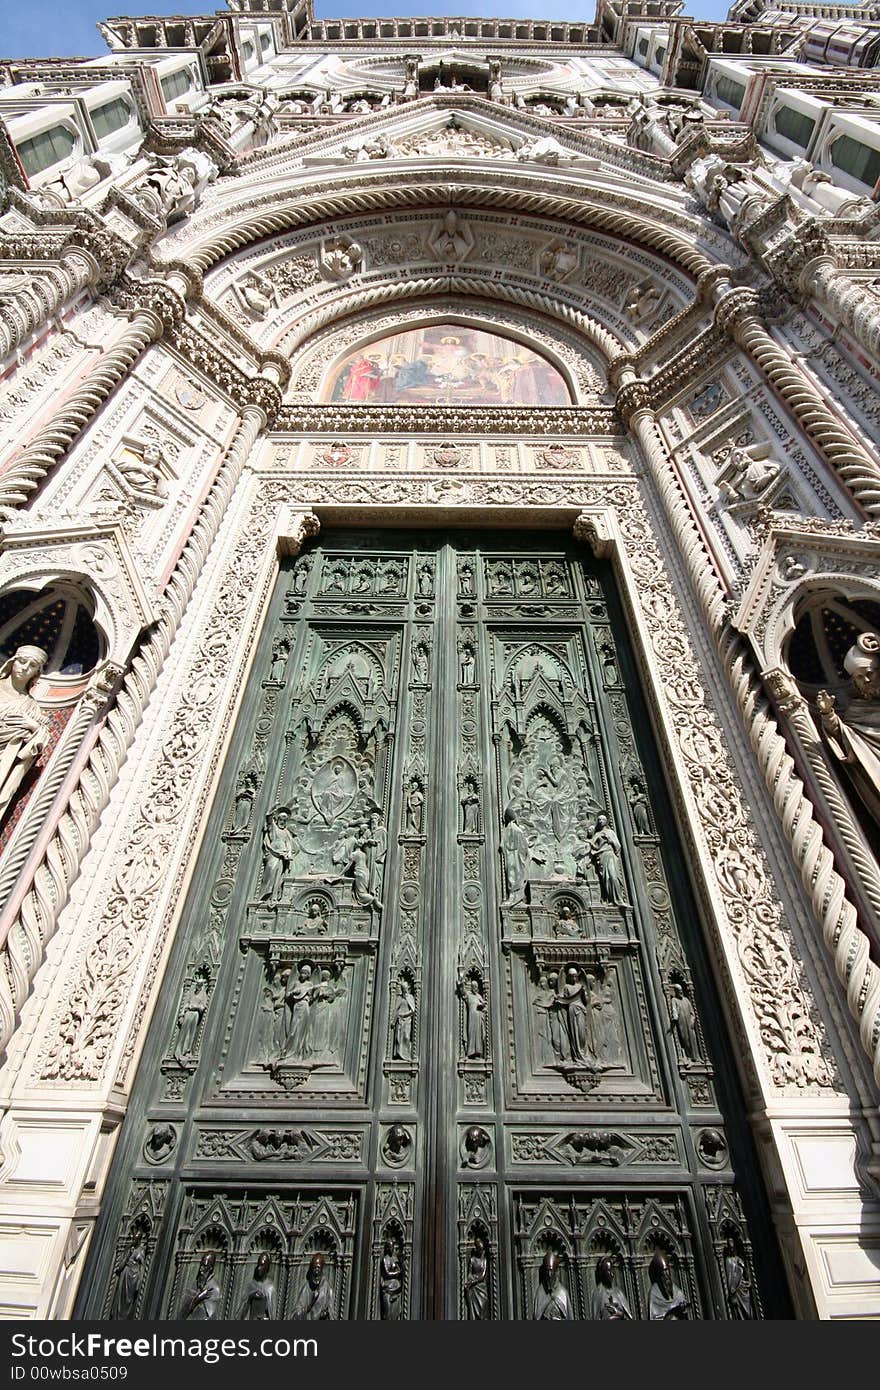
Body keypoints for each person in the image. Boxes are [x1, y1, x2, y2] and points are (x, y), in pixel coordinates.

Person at [817, 632, 880, 830]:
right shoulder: (858, 712)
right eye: (860, 678)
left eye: (870, 673)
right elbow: (847, 739)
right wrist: (828, 714)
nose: (866, 681)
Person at [0, 645, 50, 824]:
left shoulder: (31, 707)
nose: (25, 667)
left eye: (32, 665)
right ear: (12, 661)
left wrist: (34, 726)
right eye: (22, 661)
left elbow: (41, 737)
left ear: (36, 672)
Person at [110, 1232, 145, 1319]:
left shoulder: (141, 1251)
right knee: (120, 1296)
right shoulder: (130, 1249)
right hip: (125, 1273)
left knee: (128, 1299)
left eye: (136, 1239)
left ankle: (123, 1317)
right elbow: (122, 1263)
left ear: (139, 1240)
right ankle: (116, 1316)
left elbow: (142, 1267)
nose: (134, 1240)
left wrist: (138, 1283)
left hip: (133, 1277)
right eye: (133, 1238)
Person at [180, 1251, 221, 1320]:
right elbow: (185, 1309)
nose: (201, 1269)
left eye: (205, 1266)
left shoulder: (214, 1288)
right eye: (201, 1265)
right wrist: (198, 1298)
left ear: (210, 1268)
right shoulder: (197, 1282)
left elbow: (211, 1315)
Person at [292, 1253, 334, 1319]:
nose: (316, 1271)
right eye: (314, 1267)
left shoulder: (327, 1290)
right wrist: (311, 1303)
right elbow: (297, 1311)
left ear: (322, 1268)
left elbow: (331, 1314)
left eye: (318, 1267)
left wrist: (325, 1314)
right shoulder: (307, 1287)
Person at [591, 1255, 633, 1319]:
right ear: (602, 1273)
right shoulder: (598, 1294)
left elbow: (629, 1317)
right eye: (608, 1270)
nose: (612, 1274)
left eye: (612, 1270)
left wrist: (619, 1314)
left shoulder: (618, 1293)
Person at [532, 1251, 572, 1319]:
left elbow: (569, 1317)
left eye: (551, 1270)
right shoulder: (541, 1291)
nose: (549, 1274)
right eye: (547, 1271)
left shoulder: (562, 1292)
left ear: (555, 1271)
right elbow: (537, 1317)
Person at [648, 1252, 688, 1319]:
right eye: (662, 1271)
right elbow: (654, 1317)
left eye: (666, 1270)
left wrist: (682, 1307)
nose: (665, 1274)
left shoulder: (676, 1291)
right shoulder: (654, 1292)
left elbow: (683, 1308)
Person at [238, 1252, 275, 1319]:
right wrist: (250, 1298)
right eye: (258, 1265)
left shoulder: (270, 1288)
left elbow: (272, 1315)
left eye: (262, 1265)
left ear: (267, 1267)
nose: (259, 1268)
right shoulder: (251, 1285)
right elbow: (240, 1313)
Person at [724, 1237, 753, 1318]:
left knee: (748, 1312)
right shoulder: (728, 1260)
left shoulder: (739, 1259)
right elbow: (729, 1275)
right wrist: (731, 1291)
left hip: (743, 1287)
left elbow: (746, 1273)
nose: (732, 1249)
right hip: (735, 1289)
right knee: (739, 1312)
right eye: (730, 1248)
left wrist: (748, 1280)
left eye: (733, 1247)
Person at [463, 1236, 489, 1319]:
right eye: (480, 1249)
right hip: (473, 1288)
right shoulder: (472, 1260)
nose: (482, 1251)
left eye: (482, 1249)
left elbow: (483, 1276)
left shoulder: (484, 1260)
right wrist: (469, 1281)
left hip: (481, 1287)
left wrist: (473, 1282)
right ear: (477, 1249)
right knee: (473, 1310)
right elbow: (470, 1274)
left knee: (483, 1304)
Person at [379, 1240, 403, 1319]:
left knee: (396, 1311)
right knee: (387, 1311)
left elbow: (399, 1269)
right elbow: (386, 1273)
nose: (391, 1248)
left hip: (396, 1287)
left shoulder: (395, 1258)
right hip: (388, 1286)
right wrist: (396, 1273)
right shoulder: (385, 1259)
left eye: (392, 1247)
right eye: (389, 1247)